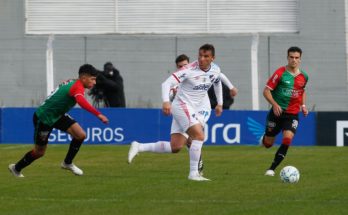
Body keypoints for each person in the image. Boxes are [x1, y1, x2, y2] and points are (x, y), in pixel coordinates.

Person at [128, 44, 223, 181]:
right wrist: (166, 101)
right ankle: (193, 173)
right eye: (200, 55)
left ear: (212, 58)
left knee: (176, 146)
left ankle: (139, 146)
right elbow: (166, 83)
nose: (202, 59)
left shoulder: (215, 70)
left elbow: (217, 83)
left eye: (206, 56)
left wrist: (220, 103)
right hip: (181, 105)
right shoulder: (189, 69)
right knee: (199, 136)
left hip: (194, 108)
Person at [8, 64, 109, 177]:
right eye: (93, 79)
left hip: (58, 115)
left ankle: (67, 163)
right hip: (44, 118)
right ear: (84, 77)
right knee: (39, 152)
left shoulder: (75, 83)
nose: (94, 82)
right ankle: (16, 168)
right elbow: (81, 102)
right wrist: (98, 114)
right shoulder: (77, 86)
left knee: (80, 135)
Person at [261, 46, 309, 176]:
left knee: (287, 139)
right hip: (276, 113)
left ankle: (271, 168)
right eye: (291, 57)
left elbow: (302, 91)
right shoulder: (280, 73)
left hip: (292, 115)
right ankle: (265, 138)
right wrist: (274, 104)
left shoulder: (304, 76)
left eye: (296, 58)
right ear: (287, 58)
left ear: (300, 59)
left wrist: (303, 105)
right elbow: (266, 91)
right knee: (268, 144)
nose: (294, 60)